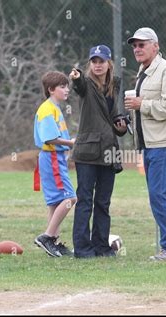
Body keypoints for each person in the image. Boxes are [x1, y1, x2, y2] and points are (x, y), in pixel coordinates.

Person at [125, 28, 166, 261]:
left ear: (155, 46)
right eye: (134, 45)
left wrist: (142, 104)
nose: (137, 49)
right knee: (159, 195)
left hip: (164, 143)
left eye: (141, 45)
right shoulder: (143, 71)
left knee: (159, 195)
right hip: (150, 143)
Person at [69, 45, 127, 258]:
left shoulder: (115, 85)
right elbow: (79, 85)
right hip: (87, 151)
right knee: (85, 200)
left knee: (103, 202)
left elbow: (112, 118)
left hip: (108, 150)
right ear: (90, 64)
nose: (97, 65)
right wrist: (75, 78)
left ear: (109, 63)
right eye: (94, 61)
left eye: (101, 61)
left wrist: (120, 126)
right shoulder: (85, 83)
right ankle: (83, 249)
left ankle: (102, 247)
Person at [33, 71, 77, 258]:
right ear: (51, 90)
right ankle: (47, 237)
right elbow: (50, 138)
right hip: (52, 158)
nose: (67, 89)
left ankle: (54, 243)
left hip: (53, 159)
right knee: (70, 199)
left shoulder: (55, 107)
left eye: (67, 86)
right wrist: (71, 143)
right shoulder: (47, 108)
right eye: (62, 86)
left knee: (55, 202)